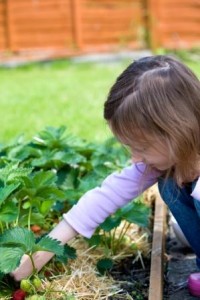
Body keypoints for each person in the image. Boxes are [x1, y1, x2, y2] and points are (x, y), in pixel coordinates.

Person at [11, 55, 200, 296]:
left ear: (176, 134)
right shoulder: (163, 165)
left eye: (141, 148)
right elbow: (102, 198)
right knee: (171, 186)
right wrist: (35, 257)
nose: (134, 158)